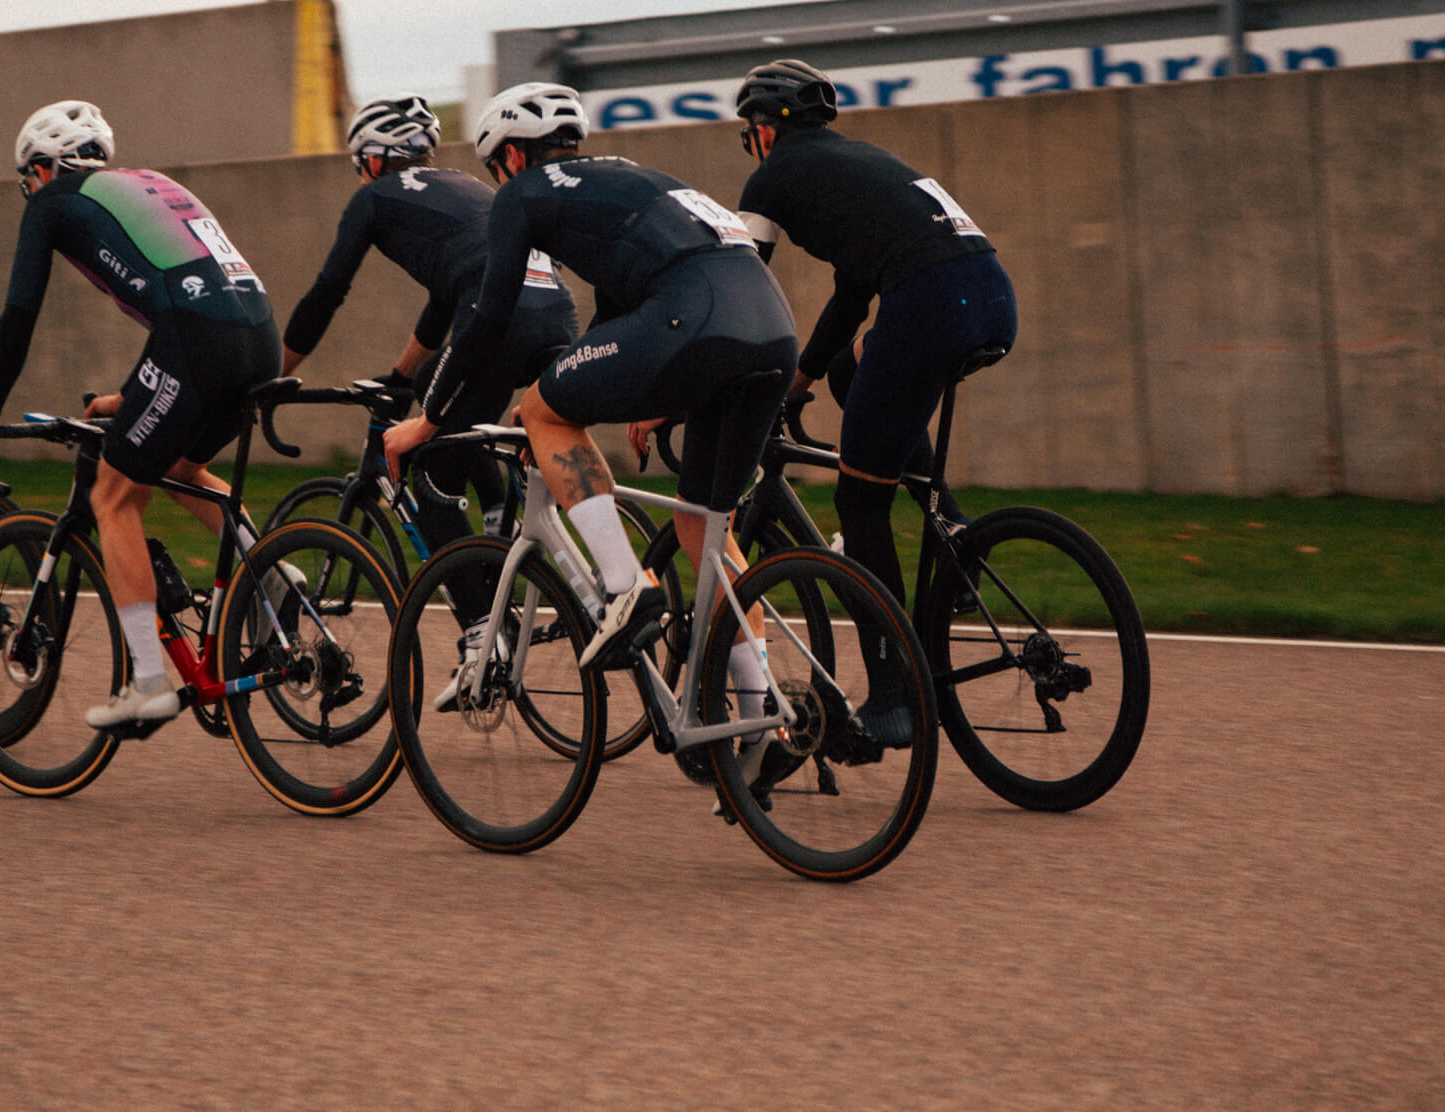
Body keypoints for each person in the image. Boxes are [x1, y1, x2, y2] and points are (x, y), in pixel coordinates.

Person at [380, 83, 798, 711]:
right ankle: (760, 717)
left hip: (695, 320)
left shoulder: (521, 192)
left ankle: (626, 585)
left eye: (495, 168)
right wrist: (558, 391)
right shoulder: (626, 175)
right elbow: (610, 316)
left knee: (544, 411)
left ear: (511, 157)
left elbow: (486, 321)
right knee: (705, 528)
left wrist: (428, 420)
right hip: (772, 331)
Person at [0, 101, 279, 731]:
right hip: (259, 340)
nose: (30, 190)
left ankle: (147, 684)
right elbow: (190, 295)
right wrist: (130, 398)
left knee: (114, 497)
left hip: (195, 341)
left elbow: (19, 313)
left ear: (43, 169)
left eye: (28, 179)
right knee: (181, 467)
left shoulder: (52, 202)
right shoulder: (150, 185)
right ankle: (274, 578)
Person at [732, 59, 1017, 744]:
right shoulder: (864, 162)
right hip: (992, 298)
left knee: (860, 505)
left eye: (749, 133)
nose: (751, 144)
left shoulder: (771, 178)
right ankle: (953, 528)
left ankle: (894, 697)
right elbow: (851, 299)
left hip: (928, 307)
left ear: (765, 130)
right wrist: (800, 381)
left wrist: (730, 378)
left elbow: (736, 282)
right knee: (849, 375)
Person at [281, 95, 578, 548]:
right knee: (433, 387)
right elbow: (444, 302)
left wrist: (277, 375)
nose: (360, 174)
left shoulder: (374, 196)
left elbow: (326, 294)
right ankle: (497, 520)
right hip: (557, 315)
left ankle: (472, 594)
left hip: (496, 323)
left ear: (374, 160)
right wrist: (401, 378)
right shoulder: (462, 183)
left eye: (359, 164)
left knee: (430, 473)